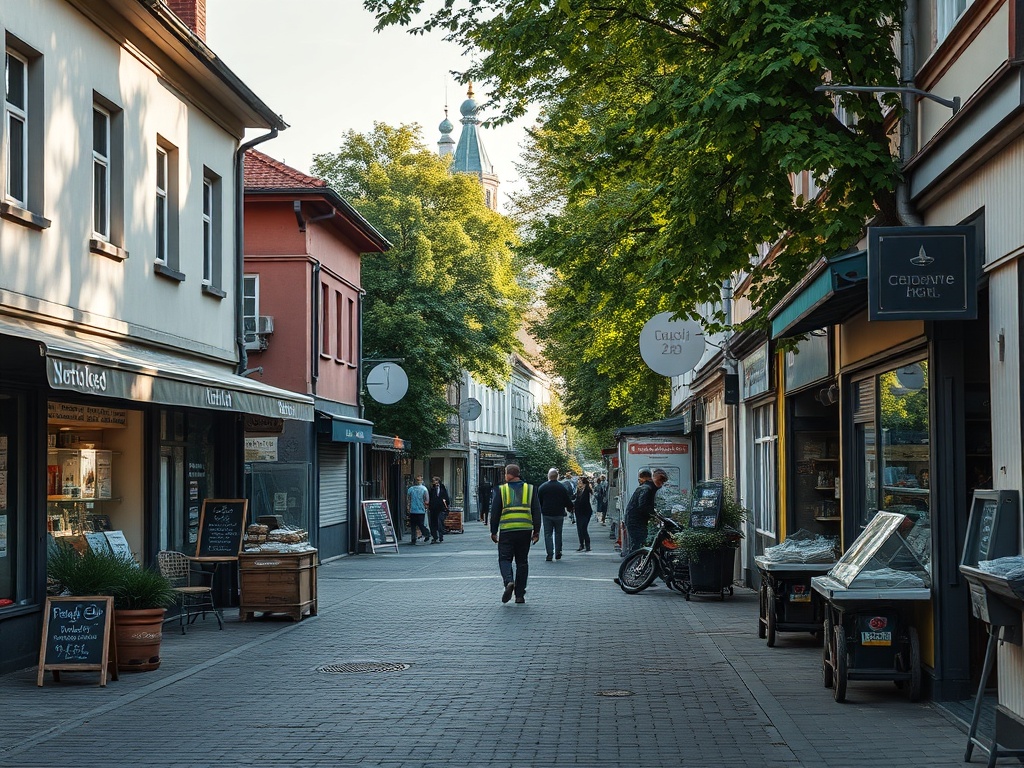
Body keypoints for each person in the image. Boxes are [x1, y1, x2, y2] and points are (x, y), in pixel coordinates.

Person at [490, 463, 541, 604]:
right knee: (522, 562)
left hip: (507, 531)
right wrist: (536, 531)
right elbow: (537, 511)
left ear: (509, 474)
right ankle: (519, 595)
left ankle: (508, 581)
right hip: (525, 530)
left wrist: (493, 531)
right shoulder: (531, 489)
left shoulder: (501, 490)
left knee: (505, 559)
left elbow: (495, 512)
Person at [622, 468, 668, 555]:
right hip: (636, 521)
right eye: (661, 481)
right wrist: (655, 515)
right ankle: (632, 563)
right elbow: (643, 505)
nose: (662, 484)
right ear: (654, 478)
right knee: (638, 543)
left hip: (634, 519)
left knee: (637, 543)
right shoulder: (647, 489)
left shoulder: (646, 487)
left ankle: (632, 563)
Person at [537, 468, 573, 561]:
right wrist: (570, 508)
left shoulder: (542, 487)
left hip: (547, 514)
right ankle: (558, 552)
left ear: (548, 476)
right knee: (558, 533)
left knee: (548, 534)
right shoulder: (561, 487)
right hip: (559, 514)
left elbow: (539, 501)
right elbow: (566, 500)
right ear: (557, 476)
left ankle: (549, 553)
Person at [406, 475, 429, 545]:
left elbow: (408, 499)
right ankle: (425, 534)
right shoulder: (424, 489)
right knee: (419, 524)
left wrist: (408, 507)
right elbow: (427, 499)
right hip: (418, 509)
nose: (418, 481)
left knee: (415, 525)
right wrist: (426, 506)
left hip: (415, 509)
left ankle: (415, 538)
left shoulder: (411, 489)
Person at [427, 476, 450, 544]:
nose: (435, 483)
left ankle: (440, 536)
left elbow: (446, 497)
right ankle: (435, 537)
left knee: (440, 522)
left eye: (436, 481)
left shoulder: (443, 489)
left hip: (441, 509)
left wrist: (446, 503)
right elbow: (430, 498)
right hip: (433, 509)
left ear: (438, 482)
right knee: (433, 524)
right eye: (434, 481)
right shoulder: (431, 489)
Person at [574, 475, 594, 552]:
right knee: (579, 528)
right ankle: (581, 544)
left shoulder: (587, 489)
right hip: (578, 511)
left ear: (584, 483)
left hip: (586, 511)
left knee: (583, 527)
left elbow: (587, 499)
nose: (578, 482)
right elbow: (576, 499)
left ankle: (588, 545)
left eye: (580, 480)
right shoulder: (578, 490)